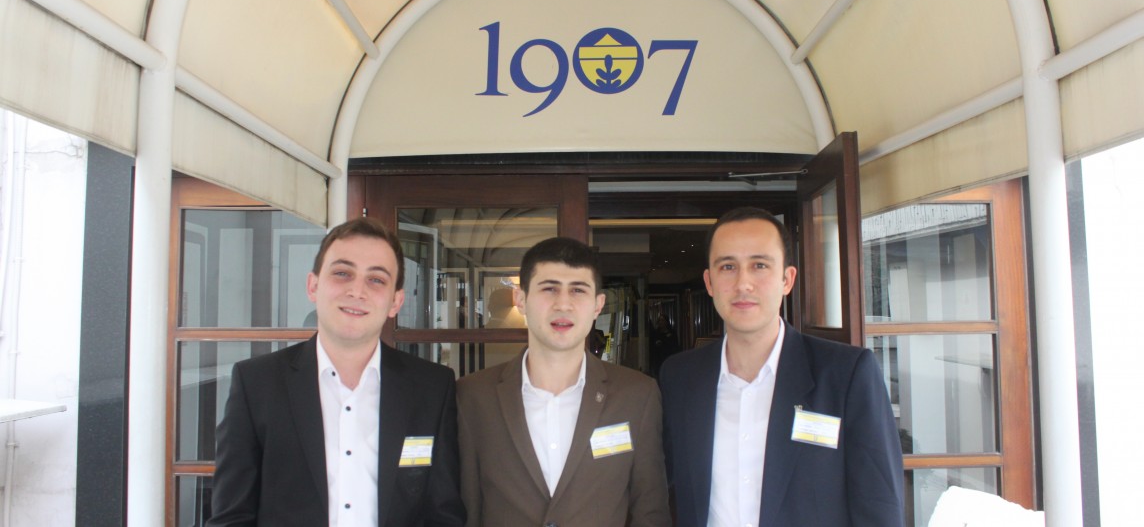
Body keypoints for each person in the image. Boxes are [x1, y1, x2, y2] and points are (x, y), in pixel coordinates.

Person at [208, 217, 465, 527]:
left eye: (376, 279)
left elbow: (443, 514)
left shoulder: (432, 387)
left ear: (395, 302)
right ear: (313, 286)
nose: (357, 290)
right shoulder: (256, 384)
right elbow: (231, 517)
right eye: (342, 273)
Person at [659, 207, 904, 527]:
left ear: (787, 279)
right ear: (709, 282)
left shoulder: (846, 375)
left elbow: (879, 505)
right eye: (728, 266)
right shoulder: (679, 378)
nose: (743, 283)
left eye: (759, 265)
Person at [456, 237, 670, 526]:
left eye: (578, 290)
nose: (563, 304)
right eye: (549, 289)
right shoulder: (473, 396)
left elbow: (651, 512)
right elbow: (467, 508)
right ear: (521, 300)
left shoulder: (637, 396)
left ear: (598, 305)